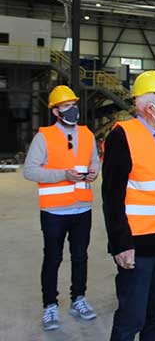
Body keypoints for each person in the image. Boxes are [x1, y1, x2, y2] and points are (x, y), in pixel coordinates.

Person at [102, 70, 155, 341]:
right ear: (148, 107)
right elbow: (112, 197)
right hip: (136, 244)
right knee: (132, 316)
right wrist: (120, 244)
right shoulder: (122, 136)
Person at [23, 85, 99, 331]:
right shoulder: (44, 137)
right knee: (53, 258)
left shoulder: (87, 134)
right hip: (55, 212)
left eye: (73, 105)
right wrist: (62, 175)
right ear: (55, 111)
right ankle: (50, 305)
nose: (72, 110)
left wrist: (94, 172)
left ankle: (79, 299)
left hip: (82, 209)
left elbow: (94, 161)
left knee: (80, 257)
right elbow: (30, 170)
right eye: (66, 106)